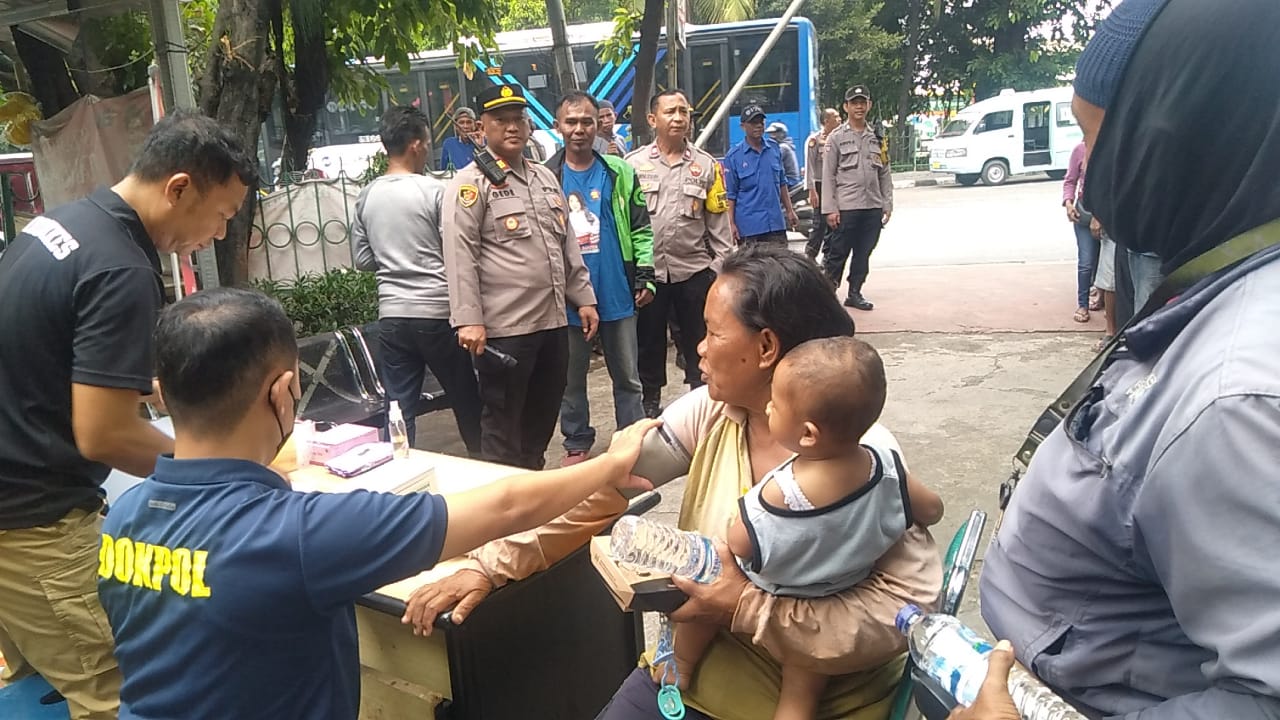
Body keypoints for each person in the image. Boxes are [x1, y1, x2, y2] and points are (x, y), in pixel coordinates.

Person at [402, 244, 943, 720]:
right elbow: (600, 497)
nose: (699, 347)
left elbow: (903, 612)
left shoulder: (862, 457)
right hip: (700, 667)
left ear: (766, 348)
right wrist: (489, 566)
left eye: (712, 333)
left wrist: (742, 606)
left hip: (825, 695)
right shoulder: (712, 413)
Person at [95, 287, 660, 720]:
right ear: (283, 392)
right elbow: (507, 507)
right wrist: (608, 466)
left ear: (163, 394)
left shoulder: (123, 515)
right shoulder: (294, 535)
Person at [966, 0, 1280, 718]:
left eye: (1095, 137)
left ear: (1175, 135)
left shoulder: (1238, 397)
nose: (1093, 184)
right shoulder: (1215, 280)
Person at [0, 111, 254, 720]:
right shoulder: (120, 268)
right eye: (221, 214)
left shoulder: (61, 223)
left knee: (36, 688)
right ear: (178, 188)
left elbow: (44, 349)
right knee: (119, 694)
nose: (219, 234)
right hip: (36, 523)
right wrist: (220, 469)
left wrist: (153, 384)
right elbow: (104, 433)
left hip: (10, 503)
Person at [665, 336, 945, 720]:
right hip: (832, 599)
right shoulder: (887, 466)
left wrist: (733, 529)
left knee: (706, 595)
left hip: (776, 593)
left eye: (776, 405)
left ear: (808, 434)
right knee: (801, 691)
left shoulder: (783, 491)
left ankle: (680, 668)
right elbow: (931, 509)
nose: (768, 406)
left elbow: (741, 542)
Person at [443, 84, 599, 470]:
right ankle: (503, 509)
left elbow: (568, 246)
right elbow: (460, 255)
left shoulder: (546, 179)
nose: (513, 127)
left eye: (519, 119)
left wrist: (585, 298)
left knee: (542, 417)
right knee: (502, 426)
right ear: (482, 127)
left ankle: (531, 491)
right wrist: (469, 319)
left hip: (551, 323)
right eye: (501, 120)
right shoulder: (469, 185)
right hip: (504, 330)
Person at [352, 105, 483, 455]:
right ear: (415, 144)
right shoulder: (436, 192)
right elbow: (458, 250)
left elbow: (363, 259)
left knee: (399, 406)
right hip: (438, 313)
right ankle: (485, 464)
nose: (427, 148)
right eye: (426, 141)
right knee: (466, 397)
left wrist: (394, 257)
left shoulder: (367, 195)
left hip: (392, 316)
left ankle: (398, 474)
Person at [545, 91, 655, 465]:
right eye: (571, 122)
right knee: (570, 379)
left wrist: (645, 275)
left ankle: (631, 438)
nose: (579, 130)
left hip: (616, 290)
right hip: (567, 299)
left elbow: (641, 227)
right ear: (557, 126)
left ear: (598, 124)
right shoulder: (547, 177)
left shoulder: (618, 171)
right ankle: (577, 441)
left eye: (587, 121)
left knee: (627, 377)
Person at [624, 90, 734, 419]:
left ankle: (701, 403)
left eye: (684, 112)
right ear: (652, 119)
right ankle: (650, 402)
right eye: (670, 112)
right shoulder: (633, 166)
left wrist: (719, 272)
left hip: (694, 272)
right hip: (651, 276)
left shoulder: (705, 166)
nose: (678, 118)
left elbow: (719, 225)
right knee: (648, 342)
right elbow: (627, 224)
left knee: (698, 342)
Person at [822, 85, 893, 311]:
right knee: (837, 255)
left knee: (863, 254)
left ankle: (855, 292)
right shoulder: (836, 138)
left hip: (872, 206)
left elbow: (884, 172)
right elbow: (828, 176)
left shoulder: (878, 138)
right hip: (847, 207)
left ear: (869, 105)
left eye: (863, 102)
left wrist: (887, 203)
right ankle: (827, 297)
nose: (859, 106)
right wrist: (830, 209)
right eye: (854, 103)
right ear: (847, 107)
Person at [724, 105, 798, 245]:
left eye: (761, 122)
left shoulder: (774, 148)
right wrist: (731, 224)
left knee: (780, 265)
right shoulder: (733, 157)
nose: (758, 126)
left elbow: (782, 183)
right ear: (743, 126)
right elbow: (731, 195)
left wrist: (790, 211)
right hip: (749, 229)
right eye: (753, 123)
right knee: (752, 266)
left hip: (775, 224)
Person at [1062, 141, 1098, 324]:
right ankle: (1082, 304)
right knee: (1086, 262)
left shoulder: (1112, 146)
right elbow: (1070, 180)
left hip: (1107, 216)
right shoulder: (1080, 150)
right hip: (1083, 214)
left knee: (1105, 264)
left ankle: (1100, 295)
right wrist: (1068, 203)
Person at [804, 108, 842, 260]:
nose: (839, 119)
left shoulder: (839, 139)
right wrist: (812, 190)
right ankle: (810, 256)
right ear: (826, 121)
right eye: (836, 117)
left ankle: (828, 257)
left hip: (835, 185)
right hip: (820, 185)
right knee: (819, 224)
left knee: (835, 223)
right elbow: (809, 166)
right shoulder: (815, 140)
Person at [766, 121, 803, 189]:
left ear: (781, 134)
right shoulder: (785, 145)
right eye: (770, 134)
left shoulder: (783, 147)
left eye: (774, 134)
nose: (771, 137)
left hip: (790, 181)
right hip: (790, 180)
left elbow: (772, 161)